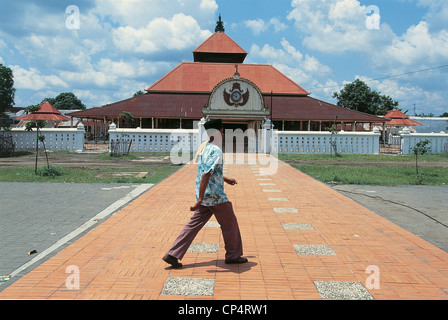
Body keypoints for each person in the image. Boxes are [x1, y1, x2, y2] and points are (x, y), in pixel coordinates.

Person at [163, 119, 247, 268]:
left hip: (205, 195)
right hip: (215, 196)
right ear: (216, 132)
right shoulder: (216, 150)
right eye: (221, 130)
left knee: (192, 225)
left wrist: (224, 179)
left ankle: (172, 254)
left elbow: (206, 170)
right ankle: (233, 255)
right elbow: (206, 174)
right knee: (230, 224)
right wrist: (199, 199)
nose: (222, 133)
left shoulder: (205, 146)